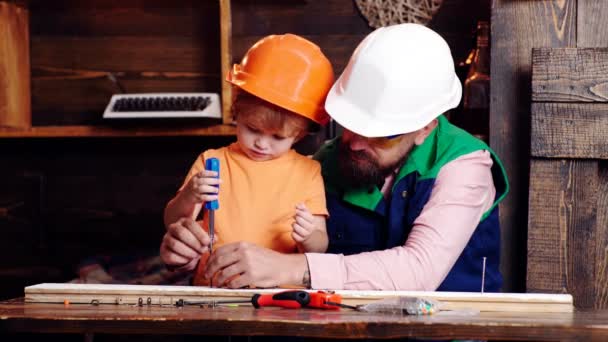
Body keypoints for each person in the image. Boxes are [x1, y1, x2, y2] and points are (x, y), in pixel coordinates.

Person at [161, 23, 509, 291]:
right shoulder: (324, 163)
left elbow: (418, 269)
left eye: (380, 135)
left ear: (425, 128)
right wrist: (186, 254)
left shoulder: (465, 167)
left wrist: (288, 268)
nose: (354, 143)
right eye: (351, 124)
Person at [161, 34, 335, 286]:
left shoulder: (307, 171)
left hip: (278, 295)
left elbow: (320, 247)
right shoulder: (212, 161)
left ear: (299, 134)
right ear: (236, 111)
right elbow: (172, 222)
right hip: (214, 288)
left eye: (278, 136)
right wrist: (190, 194)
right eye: (252, 129)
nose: (262, 144)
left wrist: (308, 237)